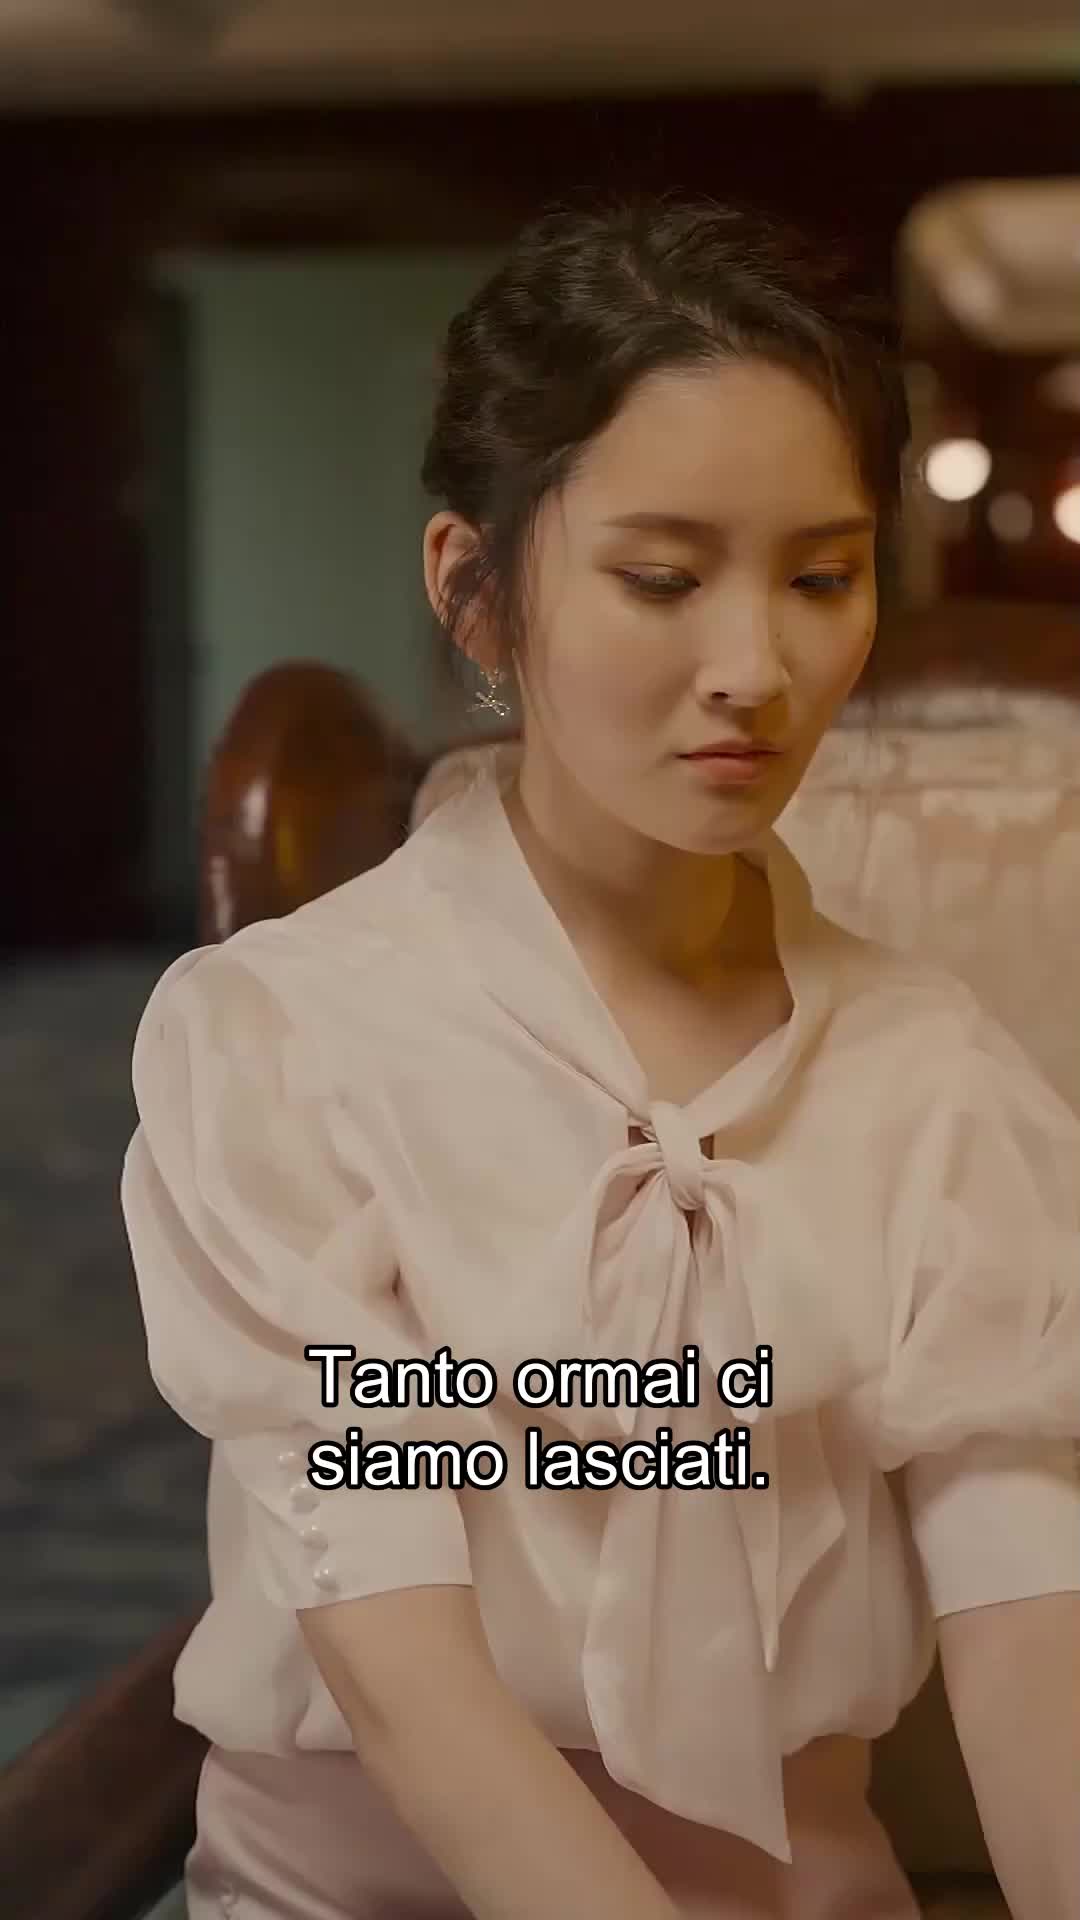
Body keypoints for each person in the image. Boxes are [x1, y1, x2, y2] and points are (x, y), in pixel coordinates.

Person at [121, 195, 1080, 1920]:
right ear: (474, 592)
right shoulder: (285, 1038)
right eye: (662, 579)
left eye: (822, 578)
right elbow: (400, 1661)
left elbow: (1032, 1630)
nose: (755, 670)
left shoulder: (933, 1076)